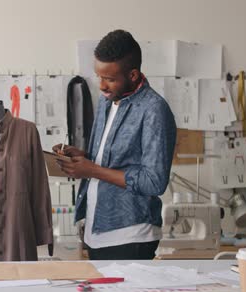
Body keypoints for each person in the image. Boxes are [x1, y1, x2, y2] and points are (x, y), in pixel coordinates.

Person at [54, 30, 176, 260]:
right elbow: (111, 158)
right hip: (95, 229)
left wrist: (92, 170)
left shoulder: (154, 110)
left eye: (109, 79)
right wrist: (83, 156)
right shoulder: (107, 100)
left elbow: (154, 182)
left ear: (132, 75)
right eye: (98, 76)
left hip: (130, 234)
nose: (101, 86)